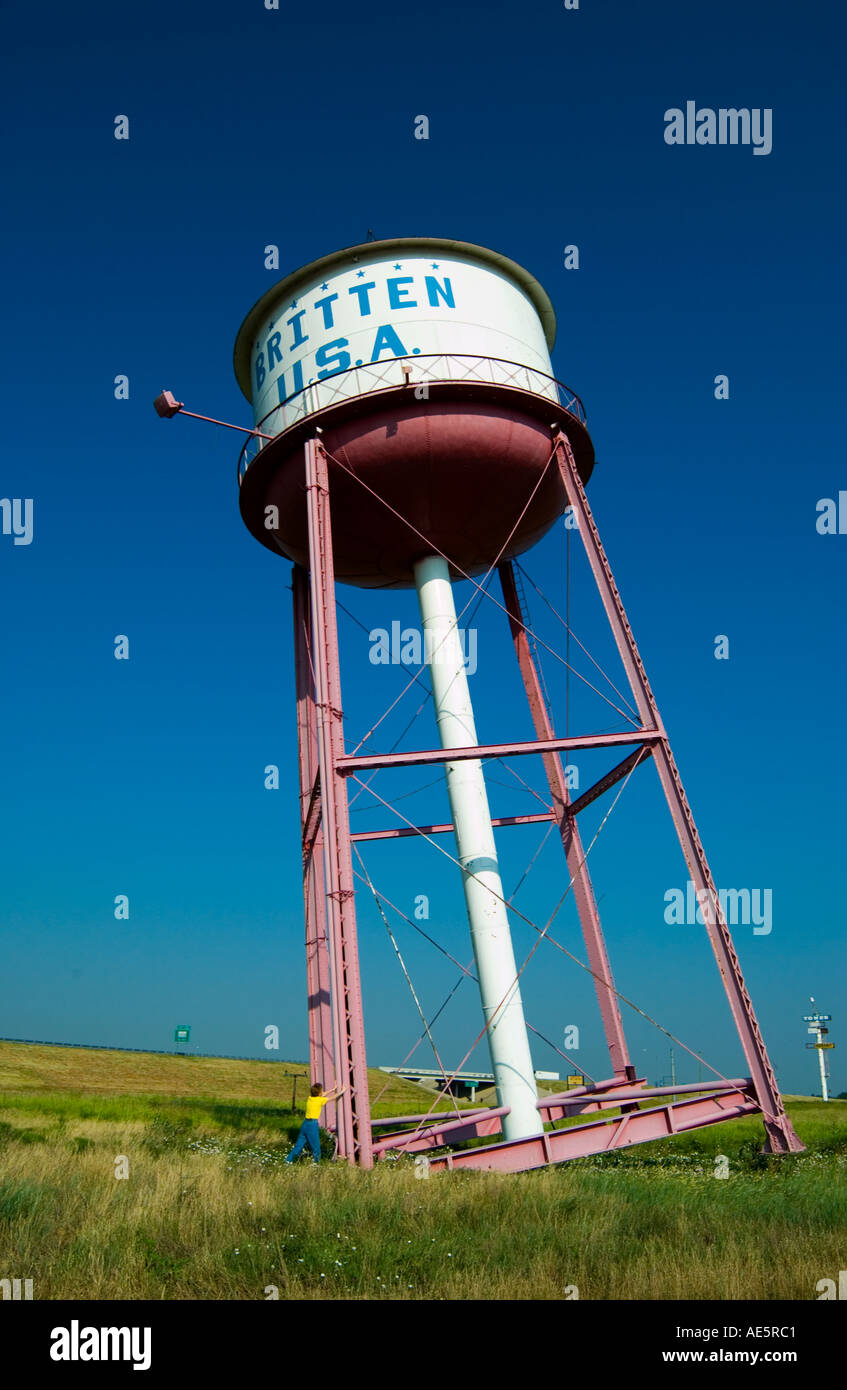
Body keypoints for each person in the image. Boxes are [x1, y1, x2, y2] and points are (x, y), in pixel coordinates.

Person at [284, 1080, 346, 1164]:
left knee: (298, 1146)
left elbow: (323, 1094)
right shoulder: (320, 1100)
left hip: (305, 1124)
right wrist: (342, 1091)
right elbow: (333, 1098)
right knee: (316, 1147)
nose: (323, 1092)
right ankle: (317, 1163)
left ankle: (288, 1161)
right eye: (322, 1090)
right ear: (319, 1093)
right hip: (312, 1125)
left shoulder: (310, 1098)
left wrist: (332, 1089)